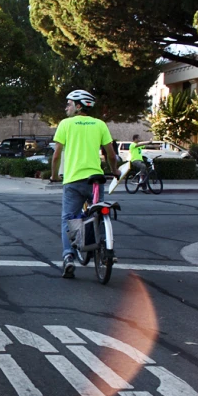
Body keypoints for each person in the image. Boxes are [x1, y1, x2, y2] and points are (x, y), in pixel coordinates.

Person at [50, 89, 120, 279]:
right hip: (96, 181)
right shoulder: (100, 125)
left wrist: (54, 175)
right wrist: (115, 170)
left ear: (79, 106)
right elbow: (111, 154)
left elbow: (57, 155)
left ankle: (68, 257)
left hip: (73, 181)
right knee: (97, 213)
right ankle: (105, 248)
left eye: (69, 103)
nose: (66, 107)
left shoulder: (65, 124)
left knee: (68, 218)